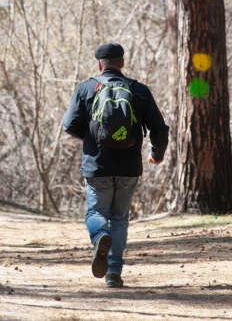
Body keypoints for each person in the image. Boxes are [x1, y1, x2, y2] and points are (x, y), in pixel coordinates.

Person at [62, 42, 169, 288]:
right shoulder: (138, 90)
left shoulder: (87, 88)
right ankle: (113, 273)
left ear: (99, 64)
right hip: (129, 167)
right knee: (119, 218)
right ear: (122, 63)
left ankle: (101, 235)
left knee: (95, 213)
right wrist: (157, 153)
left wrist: (91, 137)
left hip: (96, 165)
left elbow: (69, 124)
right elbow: (159, 129)